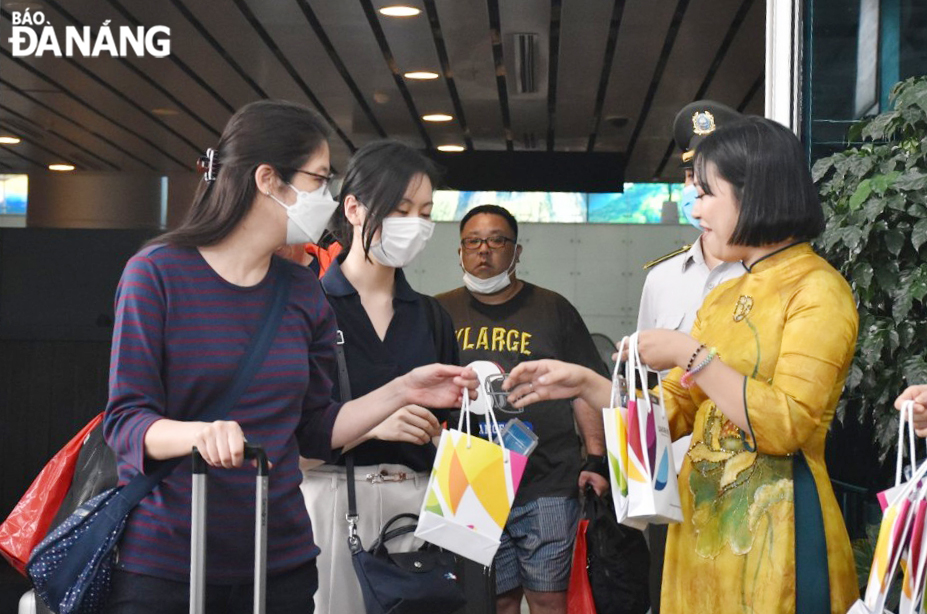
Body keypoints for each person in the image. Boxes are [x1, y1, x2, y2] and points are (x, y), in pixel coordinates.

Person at [101, 100, 475, 614]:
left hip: (280, 561)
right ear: (269, 180)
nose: (327, 196)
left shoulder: (302, 291)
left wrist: (403, 390)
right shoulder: (157, 274)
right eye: (319, 180)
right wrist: (199, 433)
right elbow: (125, 421)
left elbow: (316, 430)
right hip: (170, 559)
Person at [504, 117, 860, 613]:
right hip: (699, 527)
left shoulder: (818, 290)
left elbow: (787, 425)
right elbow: (670, 411)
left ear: (755, 192)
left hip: (777, 532)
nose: (696, 206)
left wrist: (689, 354)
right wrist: (584, 383)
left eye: (708, 192)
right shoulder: (727, 295)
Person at [299, 140, 459, 614]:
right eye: (401, 208)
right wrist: (370, 425)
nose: (415, 224)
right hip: (331, 504)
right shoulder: (311, 307)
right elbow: (290, 442)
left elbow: (455, 433)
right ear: (352, 207)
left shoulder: (432, 316)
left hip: (419, 511)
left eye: (425, 211)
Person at [435, 204, 610, 614]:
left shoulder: (553, 308)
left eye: (497, 240)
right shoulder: (438, 311)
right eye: (473, 242)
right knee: (492, 600)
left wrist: (597, 458)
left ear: (517, 251)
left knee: (549, 598)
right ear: (459, 252)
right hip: (470, 475)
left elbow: (585, 387)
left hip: (546, 477)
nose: (484, 251)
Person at [636, 100, 745, 614]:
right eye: (689, 174)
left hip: (745, 486)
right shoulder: (661, 278)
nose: (696, 190)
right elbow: (649, 384)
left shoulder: (763, 276)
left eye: (710, 176)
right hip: (672, 486)